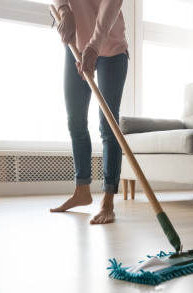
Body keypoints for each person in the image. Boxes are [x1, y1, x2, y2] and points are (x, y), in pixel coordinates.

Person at [49, 0, 128, 225]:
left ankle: (108, 200)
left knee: (108, 124)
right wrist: (64, 11)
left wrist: (94, 46)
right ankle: (82, 190)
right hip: (76, 45)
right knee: (75, 120)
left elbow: (111, 5)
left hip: (111, 49)